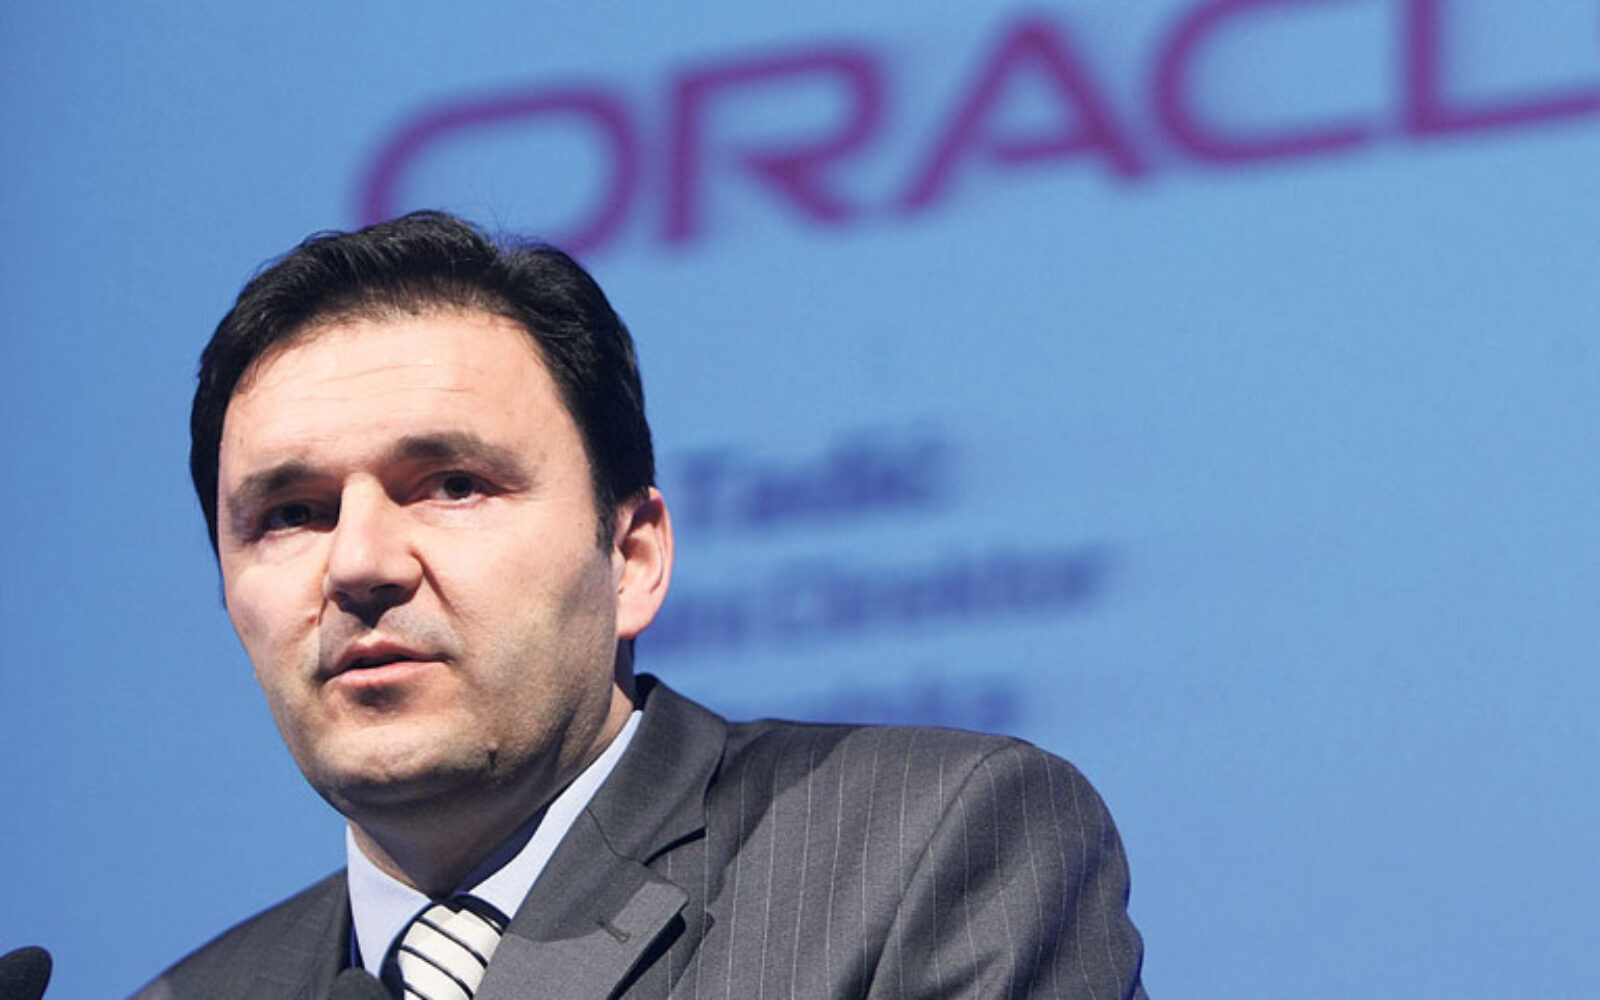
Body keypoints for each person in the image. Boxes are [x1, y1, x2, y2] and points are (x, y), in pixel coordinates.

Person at [135, 211, 1147, 999]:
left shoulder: (933, 849)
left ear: (632, 557)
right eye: (292, 514)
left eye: (452, 485)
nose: (358, 564)